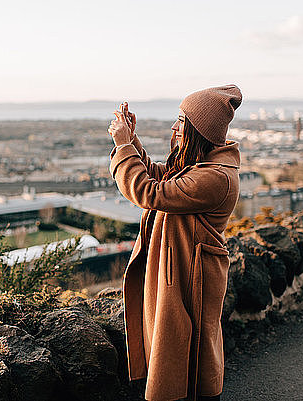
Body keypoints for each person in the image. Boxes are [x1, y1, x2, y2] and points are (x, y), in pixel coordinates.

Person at [107, 84, 242, 401]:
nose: (174, 126)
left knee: (190, 354)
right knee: (178, 351)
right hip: (178, 270)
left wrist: (124, 144)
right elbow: (159, 176)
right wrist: (132, 142)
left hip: (190, 276)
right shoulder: (201, 165)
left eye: (181, 120)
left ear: (197, 129)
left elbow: (150, 193)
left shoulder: (216, 177)